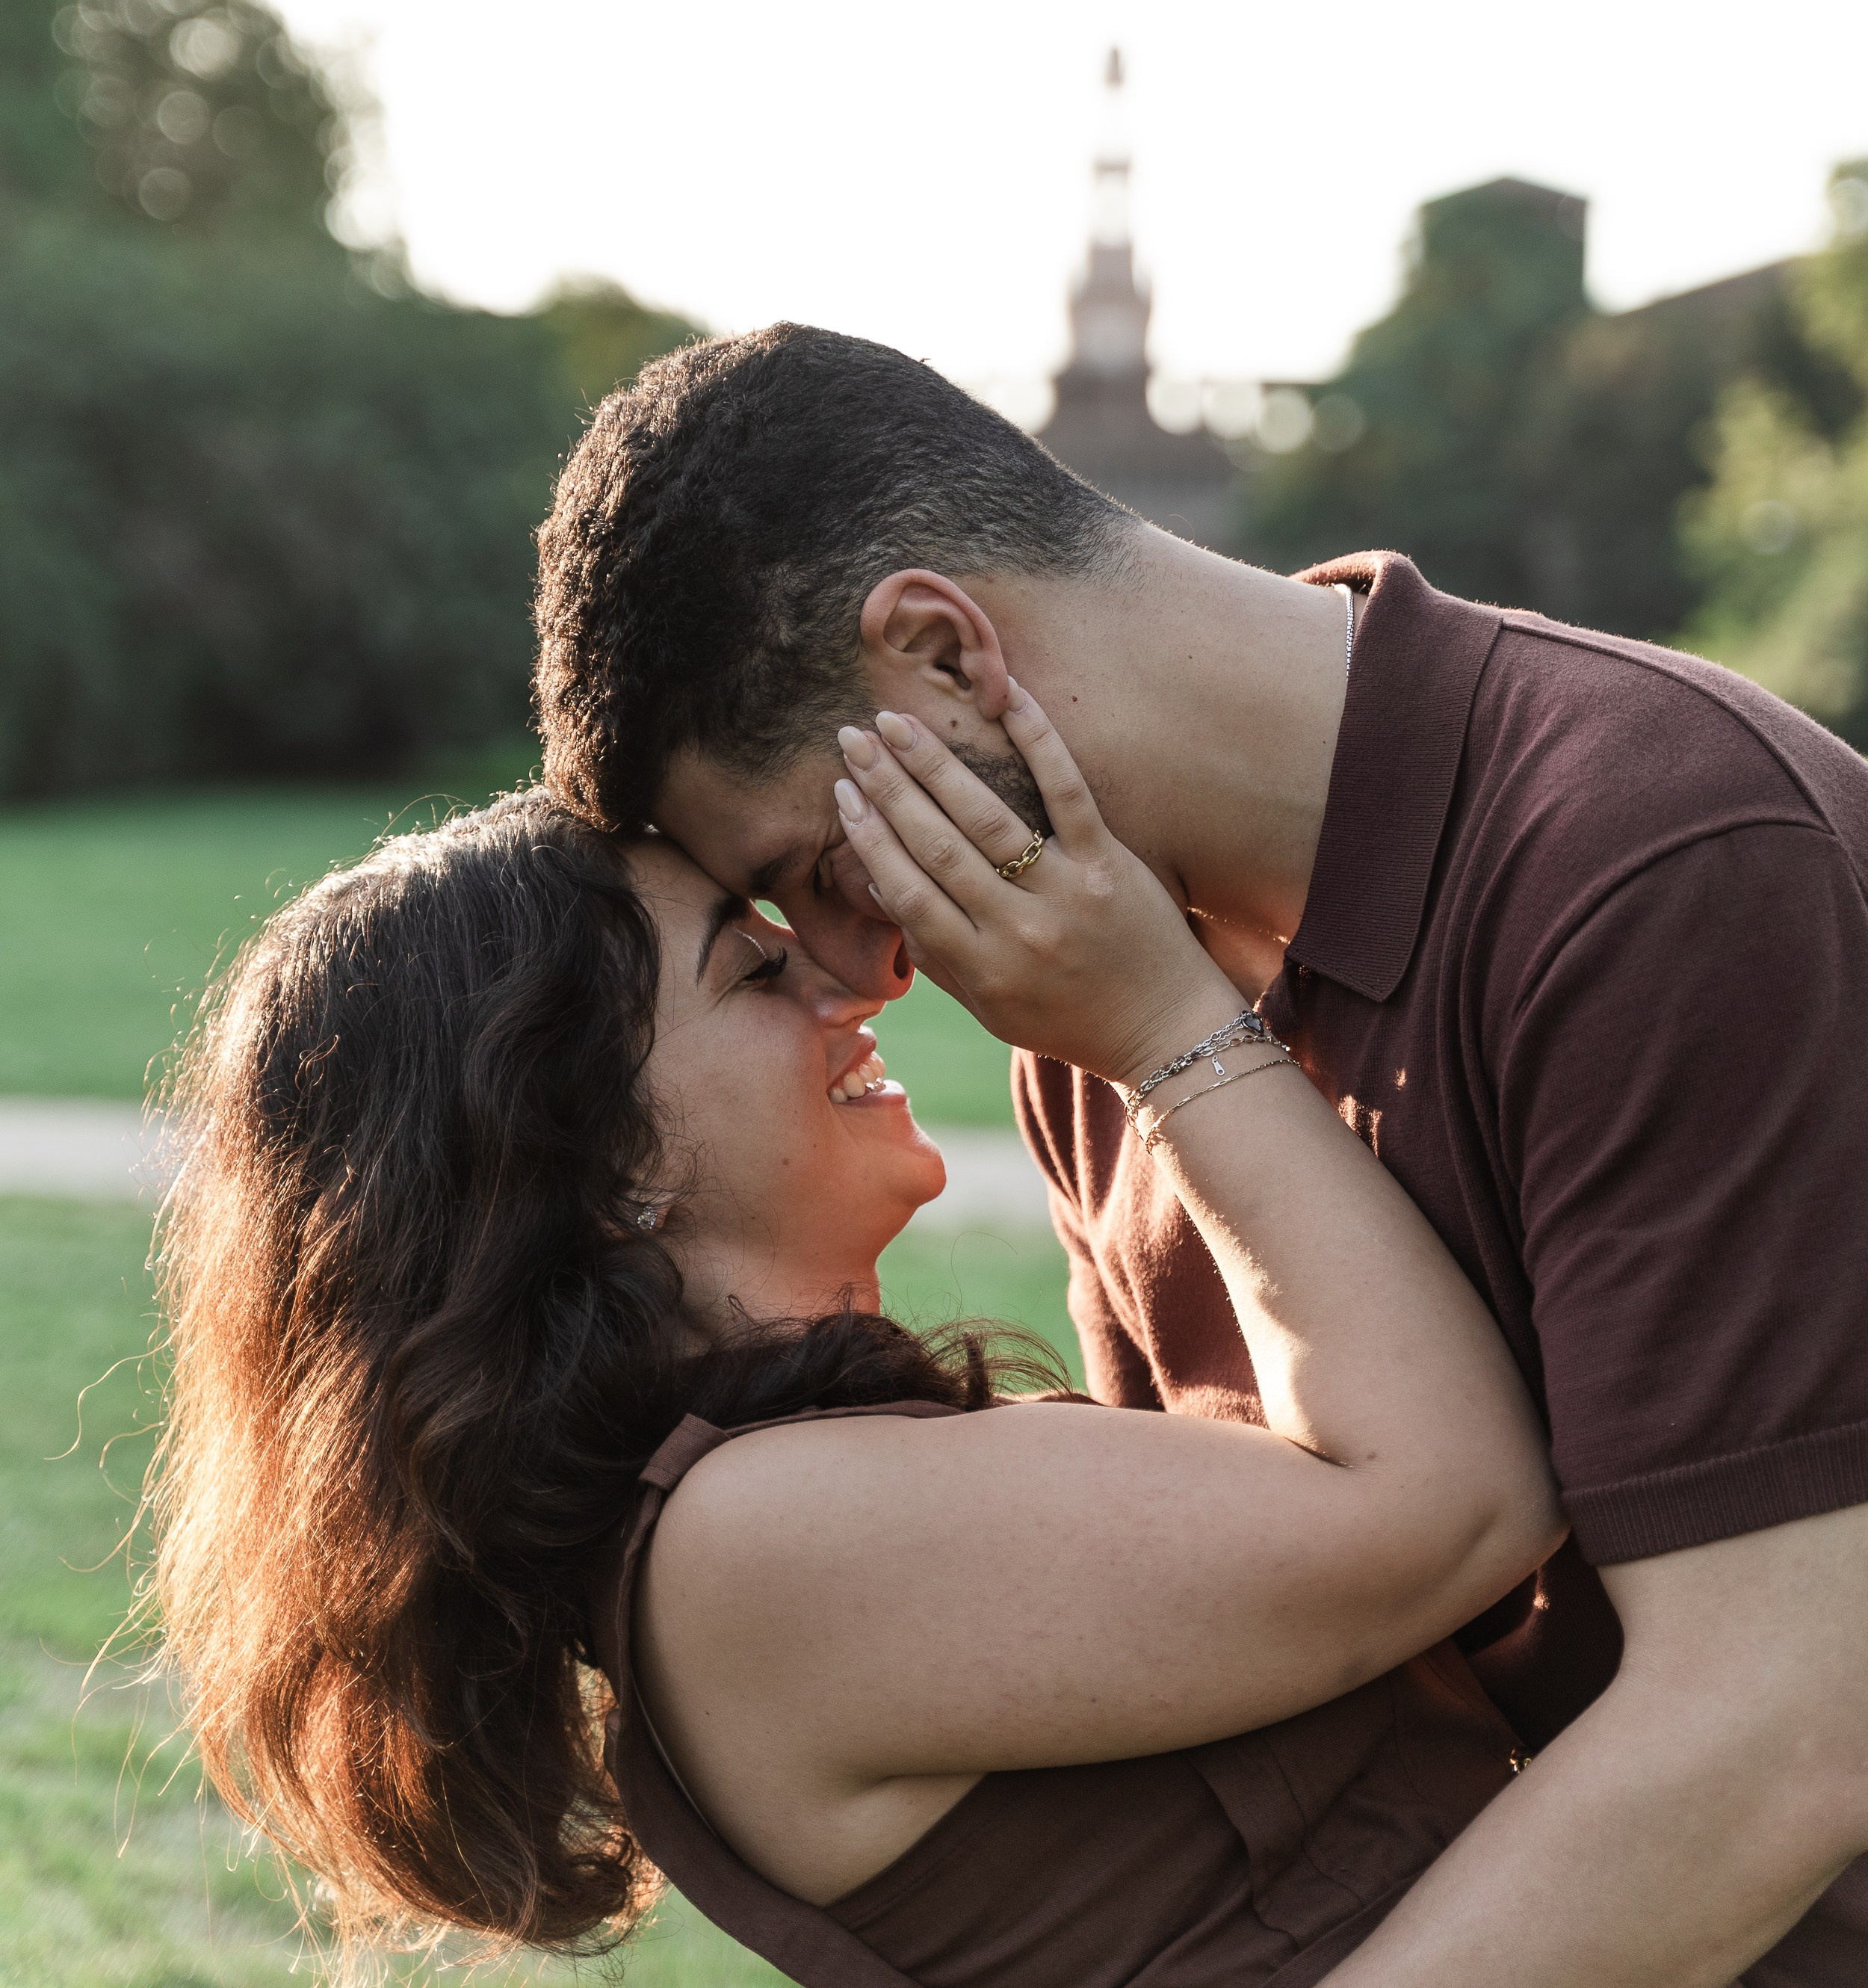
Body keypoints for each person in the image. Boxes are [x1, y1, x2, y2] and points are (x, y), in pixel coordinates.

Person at [534, 321, 1868, 1987]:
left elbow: (1780, 1735)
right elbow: (1324, 1651)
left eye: (824, 860)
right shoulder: (1096, 1024)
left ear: (942, 652)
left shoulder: (1656, 859)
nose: (863, 969)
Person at [148, 768, 1559, 1984]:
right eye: (754, 969)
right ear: (605, 1158)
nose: (853, 978)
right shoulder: (746, 1548)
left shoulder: (770, 1507)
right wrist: (1154, 1022)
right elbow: (1456, 1503)